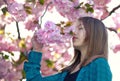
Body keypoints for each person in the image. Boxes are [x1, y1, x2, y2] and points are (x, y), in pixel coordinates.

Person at [24, 17, 112, 81]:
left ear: (94, 34)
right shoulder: (66, 73)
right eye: (74, 28)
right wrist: (37, 50)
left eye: (80, 28)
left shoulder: (99, 64)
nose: (74, 32)